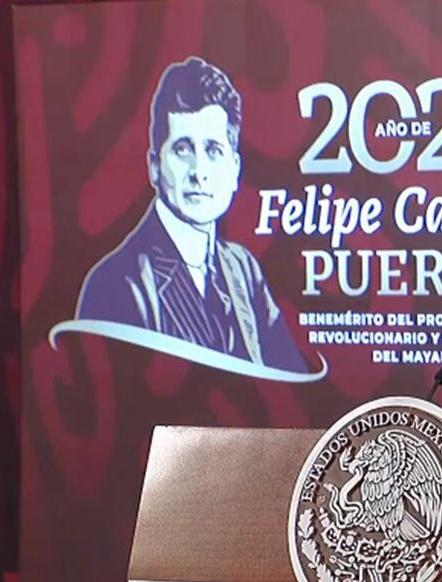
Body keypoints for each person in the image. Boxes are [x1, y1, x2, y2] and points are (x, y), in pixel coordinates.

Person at [76, 56, 306, 373]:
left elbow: (290, 385)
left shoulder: (243, 269)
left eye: (213, 151)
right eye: (183, 149)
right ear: (155, 166)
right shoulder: (116, 283)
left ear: (234, 169)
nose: (199, 172)